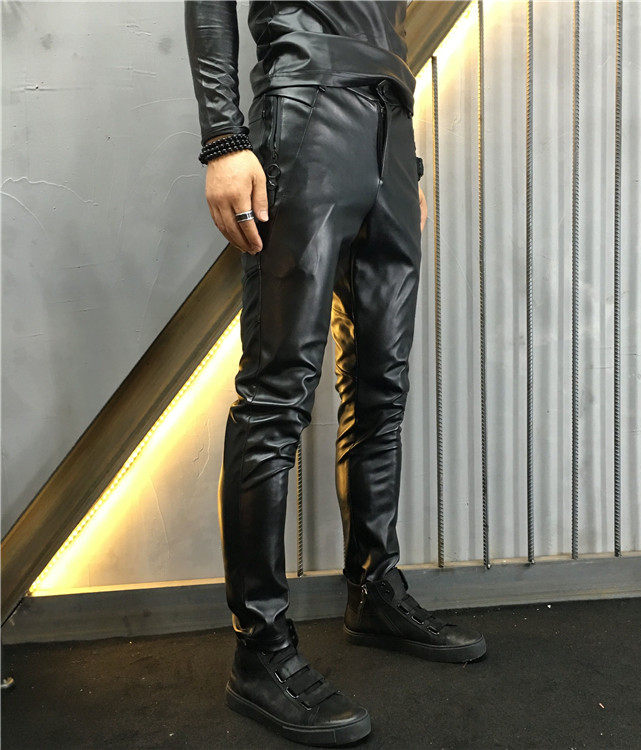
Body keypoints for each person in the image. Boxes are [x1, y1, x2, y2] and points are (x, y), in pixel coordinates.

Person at [184, 1, 486, 744]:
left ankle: (373, 589)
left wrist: (400, 157)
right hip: (306, 111)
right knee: (275, 396)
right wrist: (223, 136)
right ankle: (259, 650)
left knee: (382, 386)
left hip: (389, 125)